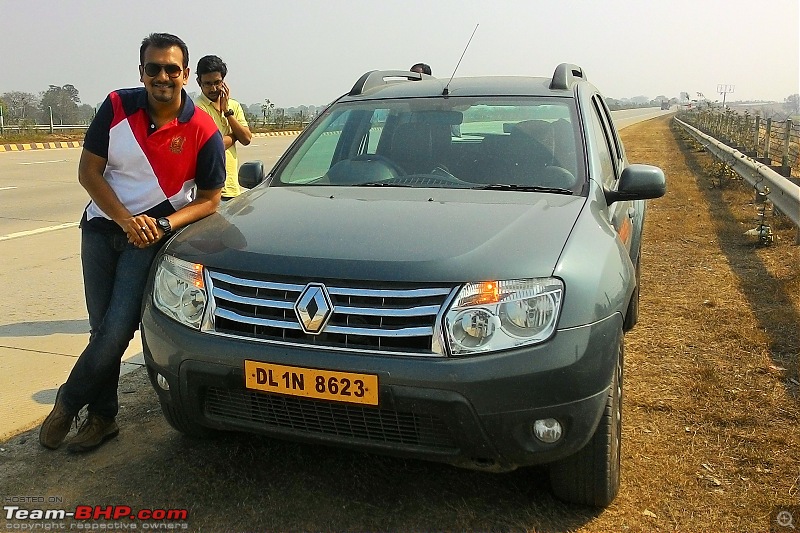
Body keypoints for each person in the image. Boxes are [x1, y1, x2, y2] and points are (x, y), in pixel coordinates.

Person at [38, 32, 225, 453]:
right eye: (153, 68)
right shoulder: (117, 106)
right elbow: (89, 173)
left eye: (171, 69)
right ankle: (103, 418)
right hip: (103, 231)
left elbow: (211, 200)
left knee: (118, 330)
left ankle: (67, 404)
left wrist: (162, 225)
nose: (162, 76)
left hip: (148, 239)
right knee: (99, 329)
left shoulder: (202, 128)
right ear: (141, 72)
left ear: (185, 74)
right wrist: (126, 220)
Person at [194, 55, 252, 201]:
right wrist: (234, 136)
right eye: (207, 84)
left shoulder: (234, 106)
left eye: (217, 82)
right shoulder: (196, 109)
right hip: (207, 192)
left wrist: (227, 112)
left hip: (232, 189)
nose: (213, 88)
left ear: (223, 82)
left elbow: (246, 138)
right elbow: (213, 147)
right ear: (198, 82)